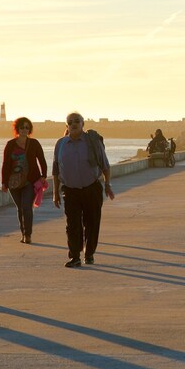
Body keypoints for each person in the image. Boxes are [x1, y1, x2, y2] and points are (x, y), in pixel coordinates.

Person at [52, 112, 114, 267]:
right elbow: (55, 171)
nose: (74, 124)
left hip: (91, 188)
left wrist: (107, 185)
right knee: (72, 225)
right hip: (70, 191)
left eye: (77, 121)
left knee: (92, 223)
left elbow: (105, 165)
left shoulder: (92, 142)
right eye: (70, 122)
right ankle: (75, 256)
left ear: (82, 124)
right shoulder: (60, 144)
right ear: (66, 126)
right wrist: (55, 193)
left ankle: (90, 253)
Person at [1, 117, 47, 244]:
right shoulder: (10, 145)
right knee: (20, 208)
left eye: (27, 127)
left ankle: (28, 235)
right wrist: (4, 182)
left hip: (30, 181)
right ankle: (23, 233)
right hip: (13, 182)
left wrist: (43, 175)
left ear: (29, 130)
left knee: (26, 207)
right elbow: (5, 164)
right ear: (17, 129)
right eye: (22, 127)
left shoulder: (34, 144)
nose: (24, 130)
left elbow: (42, 160)